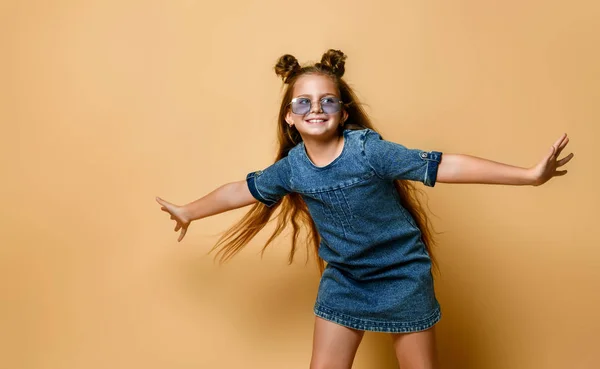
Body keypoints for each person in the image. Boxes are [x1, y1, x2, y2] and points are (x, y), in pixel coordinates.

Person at [156, 49, 573, 369]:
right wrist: (189, 211)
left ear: (343, 112)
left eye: (327, 101)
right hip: (347, 279)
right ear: (288, 117)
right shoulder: (291, 170)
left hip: (402, 275)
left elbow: (444, 164)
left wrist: (529, 175)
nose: (315, 108)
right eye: (302, 102)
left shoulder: (370, 151)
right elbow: (239, 191)